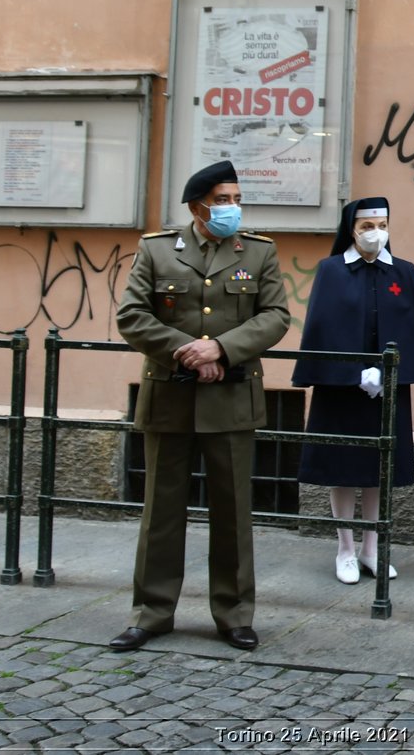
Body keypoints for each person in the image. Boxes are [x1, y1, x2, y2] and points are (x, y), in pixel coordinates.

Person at [111, 160, 290, 652]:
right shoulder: (156, 251)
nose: (233, 207)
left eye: (236, 198)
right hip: (170, 396)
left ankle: (233, 613)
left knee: (232, 512)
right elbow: (131, 315)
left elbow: (275, 316)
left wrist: (221, 349)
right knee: (160, 513)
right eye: (223, 199)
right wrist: (186, 351)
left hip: (231, 399)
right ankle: (151, 613)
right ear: (197, 206)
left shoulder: (257, 253)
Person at [293, 197, 414, 584]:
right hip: (342, 388)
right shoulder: (331, 270)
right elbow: (323, 327)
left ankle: (372, 548)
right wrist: (354, 372)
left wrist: (389, 374)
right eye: (367, 226)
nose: (376, 233)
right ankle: (344, 548)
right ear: (351, 229)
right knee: (342, 469)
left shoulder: (403, 272)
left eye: (382, 225)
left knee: (379, 470)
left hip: (387, 390)